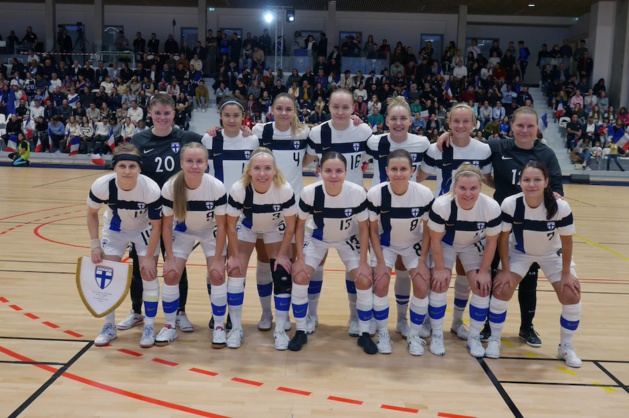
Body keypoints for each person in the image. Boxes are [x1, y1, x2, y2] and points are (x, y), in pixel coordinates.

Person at [121, 93, 203, 335]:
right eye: (158, 113)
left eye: (167, 113)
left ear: (173, 115)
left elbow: (212, 141)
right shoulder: (139, 139)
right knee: (140, 264)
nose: (162, 118)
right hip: (147, 213)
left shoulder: (186, 137)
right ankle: (137, 311)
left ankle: (179, 312)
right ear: (150, 113)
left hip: (175, 212)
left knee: (176, 263)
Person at [491, 162, 582, 368]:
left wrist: (566, 273)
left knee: (571, 293)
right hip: (520, 253)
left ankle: (566, 346)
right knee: (501, 289)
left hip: (552, 255)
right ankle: (495, 340)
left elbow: (567, 241)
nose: (532, 184)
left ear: (546, 182)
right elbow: (503, 239)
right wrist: (505, 270)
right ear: (520, 182)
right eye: (527, 180)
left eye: (537, 180)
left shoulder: (560, 207)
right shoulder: (510, 204)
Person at [419, 103, 492, 341]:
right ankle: (431, 320)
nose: (461, 126)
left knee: (464, 275)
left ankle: (458, 322)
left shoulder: (483, 150)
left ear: (474, 124)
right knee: (437, 276)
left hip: (472, 223)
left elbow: (490, 179)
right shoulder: (436, 149)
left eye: (466, 121)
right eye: (456, 122)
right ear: (448, 124)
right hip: (444, 221)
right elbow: (419, 177)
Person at [305, 89, 373, 337]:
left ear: (354, 107)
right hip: (323, 205)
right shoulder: (318, 132)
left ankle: (355, 317)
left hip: (354, 205)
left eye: (346, 107)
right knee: (317, 262)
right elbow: (305, 160)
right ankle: (311, 314)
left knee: (353, 265)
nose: (341, 112)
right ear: (328, 107)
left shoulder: (364, 131)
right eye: (336, 107)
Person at [289, 152, 373, 353]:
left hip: (347, 239)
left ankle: (364, 332)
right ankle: (301, 329)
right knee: (300, 276)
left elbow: (363, 228)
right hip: (317, 238)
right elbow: (299, 226)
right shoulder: (310, 192)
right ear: (319, 171)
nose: (333, 176)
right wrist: (299, 259)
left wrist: (363, 262)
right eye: (328, 171)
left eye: (338, 171)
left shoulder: (357, 193)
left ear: (346, 172)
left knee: (363, 279)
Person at [366, 97, 430, 340]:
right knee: (379, 273)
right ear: (386, 121)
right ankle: (373, 315)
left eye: (403, 118)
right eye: (393, 118)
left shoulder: (422, 143)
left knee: (404, 270)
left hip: (408, 213)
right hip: (380, 211)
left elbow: (432, 159)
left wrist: (413, 186)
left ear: (411, 120)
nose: (398, 123)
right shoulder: (374, 141)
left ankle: (403, 320)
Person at [88, 144, 162, 348]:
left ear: (139, 168)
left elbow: (157, 226)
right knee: (107, 272)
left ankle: (149, 325)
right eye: (122, 166)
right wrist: (95, 245)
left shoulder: (150, 189)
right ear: (114, 168)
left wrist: (147, 258)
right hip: (115, 230)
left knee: (149, 273)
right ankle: (109, 325)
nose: (127, 171)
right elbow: (91, 213)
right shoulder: (102, 185)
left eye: (132, 166)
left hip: (144, 230)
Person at [252, 93, 314, 332]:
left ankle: (291, 313)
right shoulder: (260, 132)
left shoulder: (304, 133)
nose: (284, 113)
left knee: (291, 262)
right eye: (279, 108)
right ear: (272, 110)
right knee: (265, 262)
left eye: (288, 109)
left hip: (294, 207)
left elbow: (307, 158)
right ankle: (267, 313)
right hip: (265, 206)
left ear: (294, 111)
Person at [225, 148, 297, 350]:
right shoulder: (239, 189)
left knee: (282, 272)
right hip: (247, 228)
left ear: (275, 171)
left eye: (267, 168)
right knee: (236, 270)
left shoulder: (284, 189)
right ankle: (236, 328)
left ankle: (280, 328)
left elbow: (291, 227)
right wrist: (233, 256)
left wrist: (283, 255)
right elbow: (230, 226)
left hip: (274, 228)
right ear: (249, 170)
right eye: (257, 168)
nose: (262, 173)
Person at [427, 163, 501, 357]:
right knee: (439, 282)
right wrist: (441, 268)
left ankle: (472, 335)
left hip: (472, 244)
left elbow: (492, 242)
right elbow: (435, 239)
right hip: (446, 243)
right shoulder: (441, 205)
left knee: (481, 286)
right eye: (462, 188)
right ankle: (436, 334)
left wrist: (484, 271)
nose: (468, 193)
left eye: (473, 188)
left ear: (481, 188)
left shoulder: (491, 207)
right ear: (454, 187)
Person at [159, 143, 227, 347]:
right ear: (181, 163)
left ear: (206, 164)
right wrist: (169, 258)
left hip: (210, 231)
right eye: (189, 161)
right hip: (182, 231)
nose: (194, 166)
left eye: (199, 161)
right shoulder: (171, 187)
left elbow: (222, 227)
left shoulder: (215, 186)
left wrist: (217, 260)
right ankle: (170, 326)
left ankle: (219, 327)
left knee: (217, 274)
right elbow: (166, 226)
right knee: (171, 274)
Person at [368, 149, 434, 354]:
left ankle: (413, 334)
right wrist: (380, 262)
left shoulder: (424, 194)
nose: (398, 173)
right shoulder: (376, 193)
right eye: (394, 169)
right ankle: (383, 333)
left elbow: (429, 230)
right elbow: (371, 230)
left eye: (403, 169)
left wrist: (423, 261)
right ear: (386, 171)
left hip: (413, 244)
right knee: (380, 284)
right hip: (386, 244)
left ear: (412, 170)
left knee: (422, 286)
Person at [202, 97, 259, 329]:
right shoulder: (209, 139)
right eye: (227, 115)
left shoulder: (252, 139)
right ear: (220, 118)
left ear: (242, 117)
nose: (232, 120)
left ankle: (230, 315)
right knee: (215, 263)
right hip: (216, 211)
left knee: (237, 265)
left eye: (236, 115)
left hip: (243, 213)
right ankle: (217, 309)